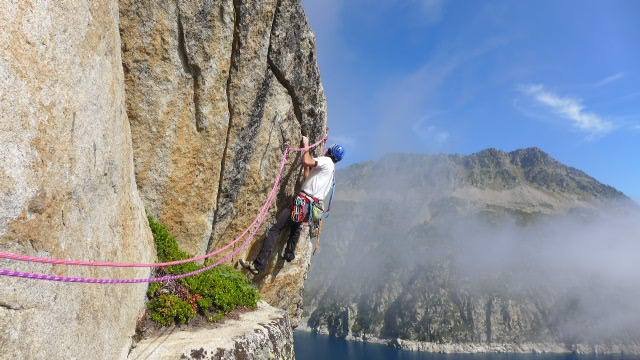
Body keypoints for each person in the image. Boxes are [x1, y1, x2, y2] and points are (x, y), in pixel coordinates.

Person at [240, 136, 345, 275]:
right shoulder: (331, 172)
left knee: (275, 230)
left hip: (302, 202)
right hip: (309, 208)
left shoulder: (325, 161)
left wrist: (306, 145)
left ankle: (258, 265)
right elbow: (308, 176)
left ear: (330, 153)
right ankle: (289, 253)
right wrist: (307, 162)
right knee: (295, 225)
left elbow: (307, 160)